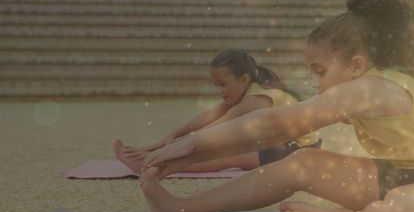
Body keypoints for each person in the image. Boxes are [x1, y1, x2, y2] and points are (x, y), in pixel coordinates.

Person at [139, 0, 414, 212]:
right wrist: (188, 154)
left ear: (356, 65)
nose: (316, 83)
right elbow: (270, 133)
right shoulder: (367, 85)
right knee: (303, 162)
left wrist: (186, 146)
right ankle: (176, 211)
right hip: (402, 175)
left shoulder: (371, 87)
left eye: (320, 72)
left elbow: (276, 125)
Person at [114, 48, 321, 174]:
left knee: (227, 153)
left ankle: (153, 166)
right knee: (218, 145)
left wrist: (159, 155)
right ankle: (153, 160)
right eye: (216, 85)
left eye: (223, 84)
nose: (220, 91)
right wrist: (167, 139)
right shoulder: (245, 94)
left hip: (300, 151)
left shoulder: (256, 100)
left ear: (244, 80)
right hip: (282, 145)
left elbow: (209, 132)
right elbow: (209, 117)